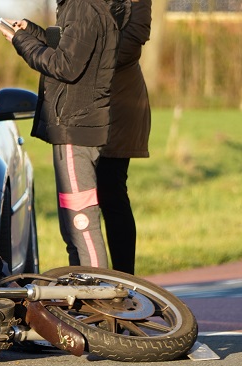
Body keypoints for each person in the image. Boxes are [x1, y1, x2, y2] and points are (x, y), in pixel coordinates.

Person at [0, 1, 121, 268]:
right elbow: (69, 48)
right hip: (73, 128)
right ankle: (85, 297)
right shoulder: (81, 7)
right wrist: (31, 31)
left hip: (75, 129)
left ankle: (101, 299)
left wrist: (21, 42)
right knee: (72, 230)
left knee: (82, 224)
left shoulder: (83, 7)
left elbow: (66, 65)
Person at [96, 0, 151, 275]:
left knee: (111, 193)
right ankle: (92, 277)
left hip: (117, 108)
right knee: (82, 199)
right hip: (85, 108)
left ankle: (123, 280)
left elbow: (130, 46)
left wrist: (84, 56)